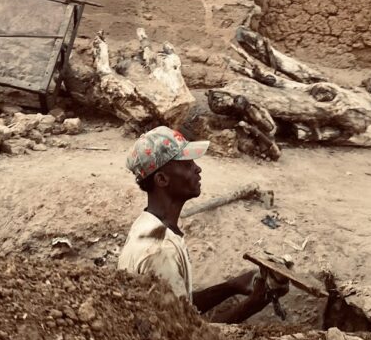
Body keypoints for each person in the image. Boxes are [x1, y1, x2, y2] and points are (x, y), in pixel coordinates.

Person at [117, 125, 281, 323]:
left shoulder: (147, 225)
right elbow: (187, 338)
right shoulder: (160, 252)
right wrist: (252, 304)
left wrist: (233, 286)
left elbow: (183, 306)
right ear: (161, 179)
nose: (197, 168)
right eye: (186, 165)